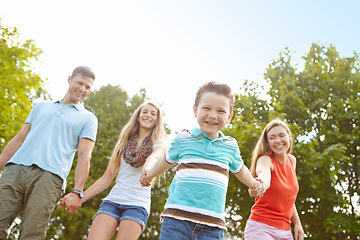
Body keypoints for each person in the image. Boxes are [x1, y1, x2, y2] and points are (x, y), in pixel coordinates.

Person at [140, 82, 265, 240]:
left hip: (212, 227)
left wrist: (254, 184)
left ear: (229, 117)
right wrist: (149, 174)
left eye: (220, 111)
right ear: (195, 110)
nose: (212, 115)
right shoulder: (184, 138)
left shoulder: (230, 146)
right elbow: (165, 161)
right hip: (176, 221)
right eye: (207, 108)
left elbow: (241, 170)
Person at [0, 66, 98, 239]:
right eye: (80, 83)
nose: (83, 89)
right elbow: (19, 139)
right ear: (69, 79)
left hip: (49, 177)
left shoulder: (88, 118)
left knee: (32, 234)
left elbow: (84, 156)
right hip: (15, 170)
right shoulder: (41, 107)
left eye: (88, 87)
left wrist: (77, 191)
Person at [61, 101, 167, 240]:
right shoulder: (124, 143)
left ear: (157, 120)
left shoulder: (159, 145)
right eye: (145, 112)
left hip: (137, 204)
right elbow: (106, 179)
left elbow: (153, 158)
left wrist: (146, 169)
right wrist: (80, 199)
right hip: (113, 201)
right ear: (138, 116)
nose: (148, 115)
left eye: (153, 114)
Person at [244, 118, 304, 240]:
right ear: (267, 142)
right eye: (272, 137)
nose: (278, 141)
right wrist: (261, 184)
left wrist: (297, 223)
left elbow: (288, 198)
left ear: (289, 137)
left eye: (282, 135)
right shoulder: (265, 159)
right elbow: (264, 174)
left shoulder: (292, 161)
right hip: (261, 228)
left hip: (285, 231)